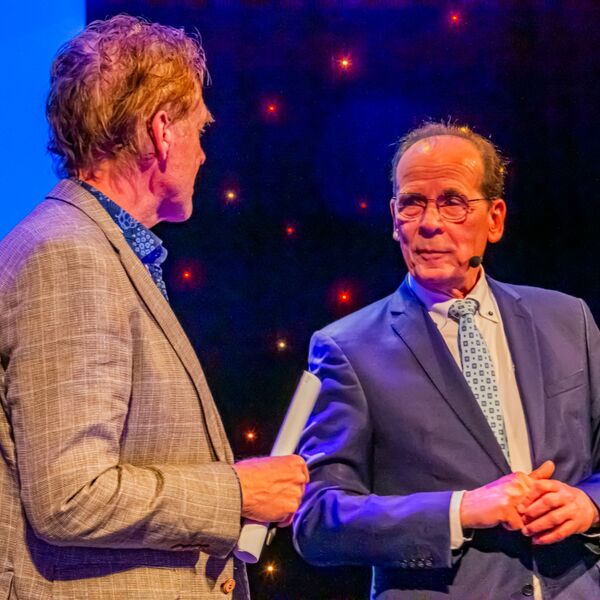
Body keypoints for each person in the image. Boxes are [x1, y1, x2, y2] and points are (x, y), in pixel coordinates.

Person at [0, 15, 308, 600]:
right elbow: (71, 496)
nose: (204, 155)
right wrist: (237, 494)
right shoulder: (70, 256)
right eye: (200, 130)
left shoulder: (95, 247)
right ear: (162, 130)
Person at [293, 121, 600, 599]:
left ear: (494, 219)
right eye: (412, 203)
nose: (430, 223)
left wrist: (589, 503)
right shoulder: (347, 348)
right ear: (394, 218)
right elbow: (318, 520)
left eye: (453, 202)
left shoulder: (567, 319)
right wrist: (460, 510)